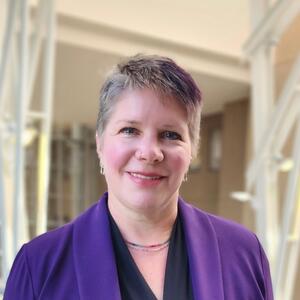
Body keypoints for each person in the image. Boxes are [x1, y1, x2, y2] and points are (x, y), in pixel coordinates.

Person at [4, 54, 273, 300]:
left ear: (193, 151)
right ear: (99, 144)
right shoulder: (39, 266)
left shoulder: (244, 254)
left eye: (170, 135)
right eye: (130, 130)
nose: (149, 153)